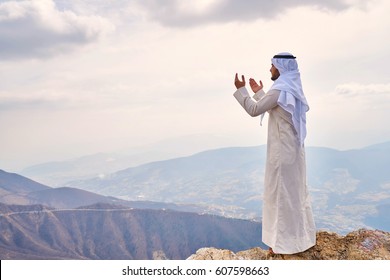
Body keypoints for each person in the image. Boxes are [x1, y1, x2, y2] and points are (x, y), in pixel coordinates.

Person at [233, 52, 316, 254]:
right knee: (294, 195)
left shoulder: (280, 89)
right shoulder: (291, 88)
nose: (270, 69)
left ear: (280, 67)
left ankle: (281, 244)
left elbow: (254, 110)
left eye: (271, 66)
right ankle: (298, 239)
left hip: (281, 155)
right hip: (293, 153)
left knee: (280, 197)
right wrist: (260, 93)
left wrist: (241, 90)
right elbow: (276, 109)